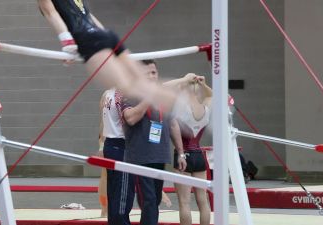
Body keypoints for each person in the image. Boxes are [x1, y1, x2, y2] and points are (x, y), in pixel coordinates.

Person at [37, 0, 175, 108]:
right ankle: (181, 98)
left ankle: (179, 102)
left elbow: (51, 13)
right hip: (105, 35)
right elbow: (88, 15)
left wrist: (69, 46)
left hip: (89, 40)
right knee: (141, 82)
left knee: (129, 87)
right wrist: (104, 38)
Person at [121, 60, 186, 225]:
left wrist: (181, 152)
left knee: (154, 200)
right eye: (147, 73)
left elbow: (172, 124)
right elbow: (131, 118)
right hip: (140, 158)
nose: (152, 76)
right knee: (148, 200)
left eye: (154, 73)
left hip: (159, 155)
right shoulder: (130, 94)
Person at [163, 73, 212, 225]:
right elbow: (213, 95)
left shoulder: (180, 105)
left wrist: (183, 79)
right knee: (203, 201)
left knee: (184, 203)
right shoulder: (206, 106)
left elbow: (163, 88)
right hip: (199, 155)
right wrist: (204, 85)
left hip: (182, 155)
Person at [98, 87, 134, 225]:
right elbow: (129, 123)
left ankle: (112, 220)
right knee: (122, 195)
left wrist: (102, 145)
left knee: (113, 192)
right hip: (122, 146)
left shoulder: (107, 93)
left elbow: (102, 122)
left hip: (109, 145)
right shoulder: (123, 95)